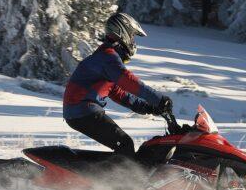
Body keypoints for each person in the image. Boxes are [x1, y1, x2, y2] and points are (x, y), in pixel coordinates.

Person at [63, 13, 173, 158]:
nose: (133, 41)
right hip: (83, 110)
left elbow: (118, 92)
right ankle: (113, 180)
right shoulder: (108, 57)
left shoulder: (106, 56)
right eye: (132, 36)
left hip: (81, 111)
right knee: (125, 144)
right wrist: (158, 99)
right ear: (123, 32)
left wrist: (147, 107)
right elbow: (128, 81)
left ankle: (111, 175)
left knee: (123, 145)